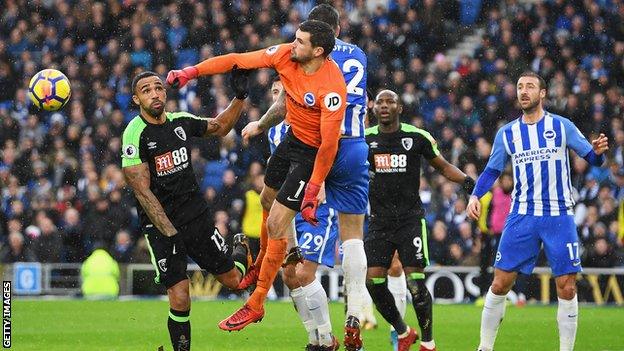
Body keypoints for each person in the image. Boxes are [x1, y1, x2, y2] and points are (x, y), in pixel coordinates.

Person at [167, 20, 347, 332]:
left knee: (277, 223)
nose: (293, 45)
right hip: (292, 141)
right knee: (266, 197)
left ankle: (257, 302)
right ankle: (261, 262)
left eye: (300, 42)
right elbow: (237, 59)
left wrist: (314, 186)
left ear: (318, 51)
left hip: (312, 154)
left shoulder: (332, 88)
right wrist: (191, 72)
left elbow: (329, 145)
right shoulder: (285, 57)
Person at [241, 5, 370, 348]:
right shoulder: (357, 56)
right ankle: (351, 314)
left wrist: (261, 122)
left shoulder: (309, 60)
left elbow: (289, 101)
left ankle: (323, 334)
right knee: (352, 235)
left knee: (295, 260)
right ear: (338, 27)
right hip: (353, 147)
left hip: (318, 149)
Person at [467, 71, 609, 351]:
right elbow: (492, 170)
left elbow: (592, 158)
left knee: (567, 286)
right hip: (522, 215)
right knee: (499, 284)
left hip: (559, 215)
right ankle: (484, 348)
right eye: (520, 87)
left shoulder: (561, 126)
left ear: (542, 93)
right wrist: (475, 195)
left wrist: (599, 151)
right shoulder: (507, 133)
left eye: (530, 86)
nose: (524, 91)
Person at [121, 70, 252, 351]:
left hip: (196, 217)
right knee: (180, 296)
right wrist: (169, 232)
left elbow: (219, 127)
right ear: (136, 99)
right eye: (146, 90)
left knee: (235, 281)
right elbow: (142, 191)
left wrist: (240, 98)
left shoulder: (181, 121)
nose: (155, 93)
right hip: (161, 227)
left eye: (158, 88)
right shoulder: (134, 134)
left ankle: (240, 250)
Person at [365, 90, 476, 351]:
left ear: (399, 108)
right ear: (373, 109)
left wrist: (469, 182)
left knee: (415, 283)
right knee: (373, 282)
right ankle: (403, 332)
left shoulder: (416, 137)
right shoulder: (365, 140)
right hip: (379, 221)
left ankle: (428, 342)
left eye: (390, 102)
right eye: (379, 102)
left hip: (410, 220)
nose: (384, 106)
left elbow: (443, 166)